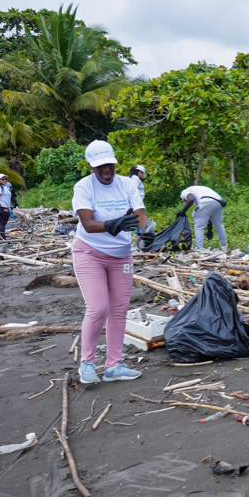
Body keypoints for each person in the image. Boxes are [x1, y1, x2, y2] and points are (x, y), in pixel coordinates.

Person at [72, 140, 147, 384]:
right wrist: (112, 224)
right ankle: (87, 363)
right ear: (92, 167)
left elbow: (140, 215)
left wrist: (141, 227)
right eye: (100, 166)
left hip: (121, 255)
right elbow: (88, 224)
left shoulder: (127, 184)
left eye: (110, 165)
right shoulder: (84, 187)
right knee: (98, 308)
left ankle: (114, 365)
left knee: (118, 310)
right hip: (89, 253)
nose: (106, 169)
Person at [178, 184, 227, 252]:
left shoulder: (184, 192)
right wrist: (209, 228)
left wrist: (184, 209)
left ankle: (199, 249)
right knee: (219, 225)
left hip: (207, 200)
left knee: (199, 226)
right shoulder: (199, 189)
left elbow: (191, 199)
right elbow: (207, 214)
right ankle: (224, 247)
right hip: (219, 201)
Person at [0, 174, 12, 238]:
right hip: (2, 206)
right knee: (2, 223)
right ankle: (3, 237)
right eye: (2, 179)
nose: (4, 180)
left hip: (6, 206)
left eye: (5, 179)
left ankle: (2, 236)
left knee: (5, 221)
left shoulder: (5, 187)